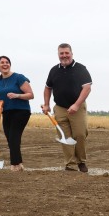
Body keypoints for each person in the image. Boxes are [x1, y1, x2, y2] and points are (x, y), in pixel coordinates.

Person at [42, 43, 92, 173]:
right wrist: (46, 104)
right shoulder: (54, 70)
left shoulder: (80, 69)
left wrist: (76, 105)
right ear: (58, 55)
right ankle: (70, 164)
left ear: (71, 53)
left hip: (77, 107)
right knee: (65, 136)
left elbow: (87, 88)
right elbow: (48, 88)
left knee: (80, 134)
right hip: (60, 108)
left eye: (66, 53)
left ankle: (81, 161)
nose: (64, 56)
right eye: (61, 53)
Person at [0, 56, 34, 171]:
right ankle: (19, 164)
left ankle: (14, 165)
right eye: (2, 63)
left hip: (21, 111)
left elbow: (30, 95)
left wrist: (17, 95)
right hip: (6, 112)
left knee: (14, 136)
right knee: (10, 138)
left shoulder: (18, 78)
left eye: (7, 62)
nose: (5, 64)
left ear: (10, 64)